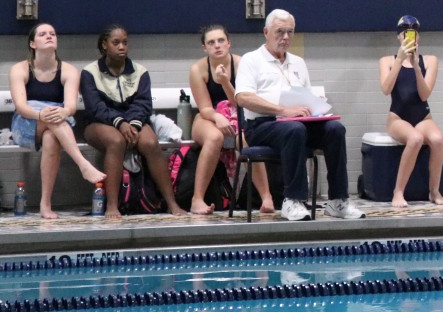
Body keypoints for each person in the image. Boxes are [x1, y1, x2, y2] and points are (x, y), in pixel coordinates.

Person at [234, 9, 364, 222]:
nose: (285, 37)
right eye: (280, 32)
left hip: (296, 124)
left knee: (335, 129)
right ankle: (293, 200)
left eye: (290, 32)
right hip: (261, 126)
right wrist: (283, 111)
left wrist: (316, 110)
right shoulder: (251, 60)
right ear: (266, 32)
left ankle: (338, 200)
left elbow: (305, 98)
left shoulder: (298, 63)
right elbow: (243, 98)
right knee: (293, 129)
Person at [80, 24, 187, 218]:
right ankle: (112, 206)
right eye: (116, 43)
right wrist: (120, 123)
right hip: (99, 123)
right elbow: (95, 107)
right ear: (104, 45)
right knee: (116, 141)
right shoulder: (90, 72)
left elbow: (143, 104)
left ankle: (172, 203)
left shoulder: (139, 71)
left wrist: (134, 124)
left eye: (125, 42)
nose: (121, 47)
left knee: (150, 142)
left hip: (133, 122)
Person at [7, 22, 106, 219]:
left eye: (52, 33)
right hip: (26, 123)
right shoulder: (20, 69)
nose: (49, 36)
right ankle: (83, 164)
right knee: (52, 119)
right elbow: (21, 106)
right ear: (32, 44)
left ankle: (45, 204)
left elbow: (70, 107)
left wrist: (62, 112)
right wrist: (40, 114)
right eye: (43, 34)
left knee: (51, 138)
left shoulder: (68, 71)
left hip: (56, 122)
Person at [186, 24, 273, 216]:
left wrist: (225, 81)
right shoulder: (198, 69)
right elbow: (205, 108)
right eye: (211, 42)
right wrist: (218, 117)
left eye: (221, 41)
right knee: (214, 137)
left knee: (247, 140)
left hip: (238, 114)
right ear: (204, 48)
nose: (217, 46)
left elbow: (240, 102)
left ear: (229, 43)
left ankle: (266, 197)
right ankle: (197, 199)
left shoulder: (242, 64)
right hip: (208, 116)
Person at [378, 15, 443, 209]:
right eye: (405, 33)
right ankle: (398, 192)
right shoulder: (387, 61)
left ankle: (434, 191)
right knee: (415, 138)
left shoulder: (430, 60)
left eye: (413, 33)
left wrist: (416, 67)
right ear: (398, 37)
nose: (409, 37)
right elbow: (386, 89)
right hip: (397, 118)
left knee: (438, 140)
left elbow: (424, 95)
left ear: (419, 36)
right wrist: (399, 61)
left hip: (423, 117)